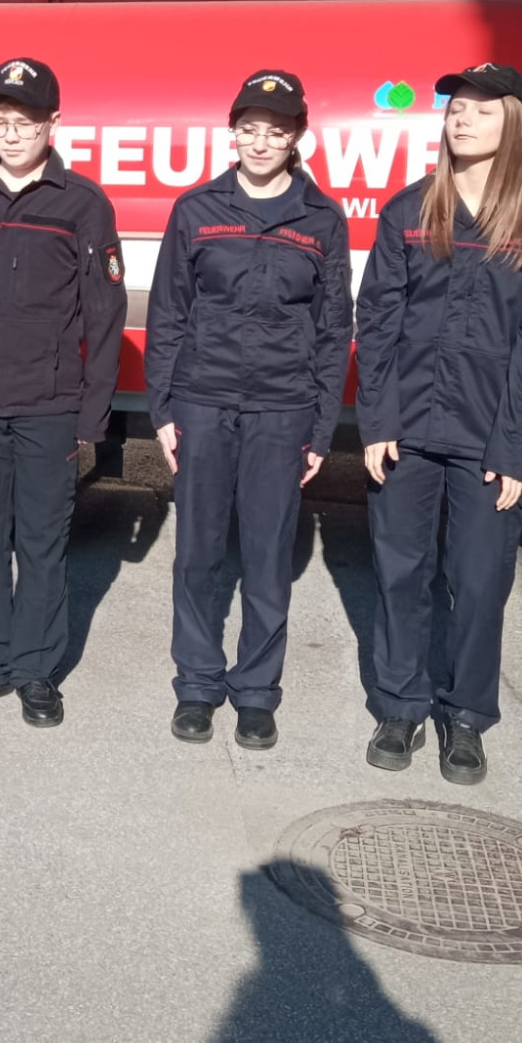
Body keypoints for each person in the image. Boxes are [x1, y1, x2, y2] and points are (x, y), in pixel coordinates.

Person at [354, 62, 522, 784]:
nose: (462, 119)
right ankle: (400, 705)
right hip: (408, 430)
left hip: (487, 437)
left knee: (479, 582)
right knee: (400, 573)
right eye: (455, 108)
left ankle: (468, 716)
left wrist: (514, 446)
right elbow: (376, 320)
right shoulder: (409, 210)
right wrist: (378, 419)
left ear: (515, 124)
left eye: (482, 109)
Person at [145, 71, 352, 750]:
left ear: (297, 138)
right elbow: (169, 313)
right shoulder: (197, 209)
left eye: (276, 131)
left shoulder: (321, 219)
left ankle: (257, 692)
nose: (261, 142)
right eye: (249, 129)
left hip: (281, 411)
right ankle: (197, 684)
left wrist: (321, 428)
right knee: (198, 553)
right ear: (232, 133)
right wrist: (162, 409)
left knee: (266, 558)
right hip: (203, 404)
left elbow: (333, 330)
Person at [0, 56, 126, 727]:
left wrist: (91, 415)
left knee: (42, 542)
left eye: (26, 122)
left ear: (53, 124)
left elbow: (105, 313)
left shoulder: (83, 203)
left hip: (49, 406)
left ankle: (36, 670)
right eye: (1, 121)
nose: (11, 134)